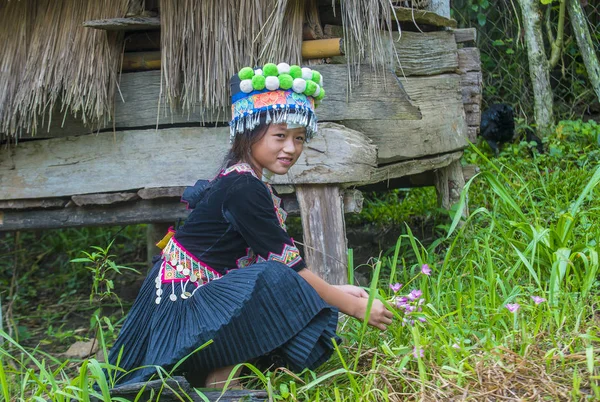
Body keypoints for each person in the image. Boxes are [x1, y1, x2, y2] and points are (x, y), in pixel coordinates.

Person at [107, 62, 393, 389]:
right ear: (250, 131)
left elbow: (272, 267)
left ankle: (223, 383)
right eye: (280, 136)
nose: (291, 148)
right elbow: (287, 269)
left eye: (299, 138)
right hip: (183, 310)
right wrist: (355, 306)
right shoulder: (244, 188)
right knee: (273, 278)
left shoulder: (249, 182)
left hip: (202, 304)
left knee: (272, 279)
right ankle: (222, 385)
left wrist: (335, 293)